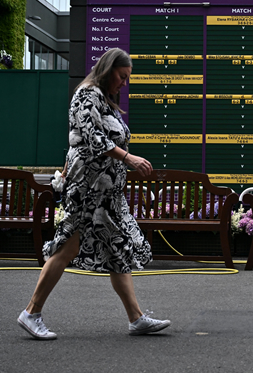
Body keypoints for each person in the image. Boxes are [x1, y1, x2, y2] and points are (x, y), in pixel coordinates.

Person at [18, 48, 170, 340]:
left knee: (117, 250)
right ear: (108, 68)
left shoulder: (102, 100)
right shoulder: (87, 95)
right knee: (68, 247)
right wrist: (129, 158)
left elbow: (78, 143)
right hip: (88, 191)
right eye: (122, 76)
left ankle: (136, 318)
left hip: (106, 194)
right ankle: (31, 312)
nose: (124, 83)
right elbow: (91, 138)